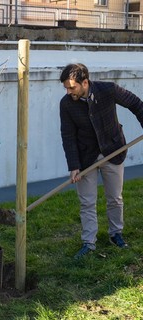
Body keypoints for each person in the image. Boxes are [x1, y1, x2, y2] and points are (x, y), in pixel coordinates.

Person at [59, 63, 143, 259]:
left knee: (115, 197)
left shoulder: (108, 90)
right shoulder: (66, 104)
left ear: (85, 82)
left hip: (113, 150)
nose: (68, 91)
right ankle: (89, 243)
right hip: (85, 157)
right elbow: (68, 135)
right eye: (66, 87)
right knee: (87, 202)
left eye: (72, 87)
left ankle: (116, 234)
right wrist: (74, 166)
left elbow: (136, 104)